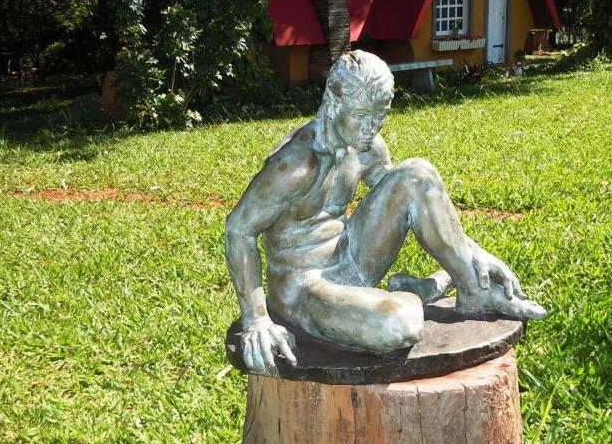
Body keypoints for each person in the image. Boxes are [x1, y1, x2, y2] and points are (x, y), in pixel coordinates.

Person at [225, 50, 545, 373]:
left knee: (418, 175)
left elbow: (416, 203)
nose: (371, 128)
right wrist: (256, 319)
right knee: (400, 325)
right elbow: (238, 229)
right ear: (334, 103)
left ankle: (475, 290)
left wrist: (472, 256)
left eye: (379, 116)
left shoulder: (366, 147)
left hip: (351, 258)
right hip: (304, 289)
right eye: (361, 116)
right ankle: (416, 293)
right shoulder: (297, 164)